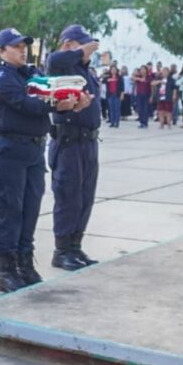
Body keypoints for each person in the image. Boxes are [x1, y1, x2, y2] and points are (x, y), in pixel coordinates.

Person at [0, 28, 79, 292]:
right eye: (15, 46)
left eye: (24, 45)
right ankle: (6, 271)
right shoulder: (0, 76)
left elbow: (50, 90)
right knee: (10, 213)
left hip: (33, 152)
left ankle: (24, 264)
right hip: (9, 153)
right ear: (0, 51)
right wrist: (56, 104)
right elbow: (25, 103)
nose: (23, 49)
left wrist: (72, 101)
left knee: (30, 211)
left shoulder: (30, 73)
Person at [46, 24, 100, 270]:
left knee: (85, 198)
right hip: (68, 141)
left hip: (89, 142)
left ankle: (75, 247)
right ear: (69, 45)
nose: (88, 50)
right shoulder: (61, 65)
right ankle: (62, 250)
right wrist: (78, 52)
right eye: (82, 44)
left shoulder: (85, 71)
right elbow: (53, 59)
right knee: (68, 197)